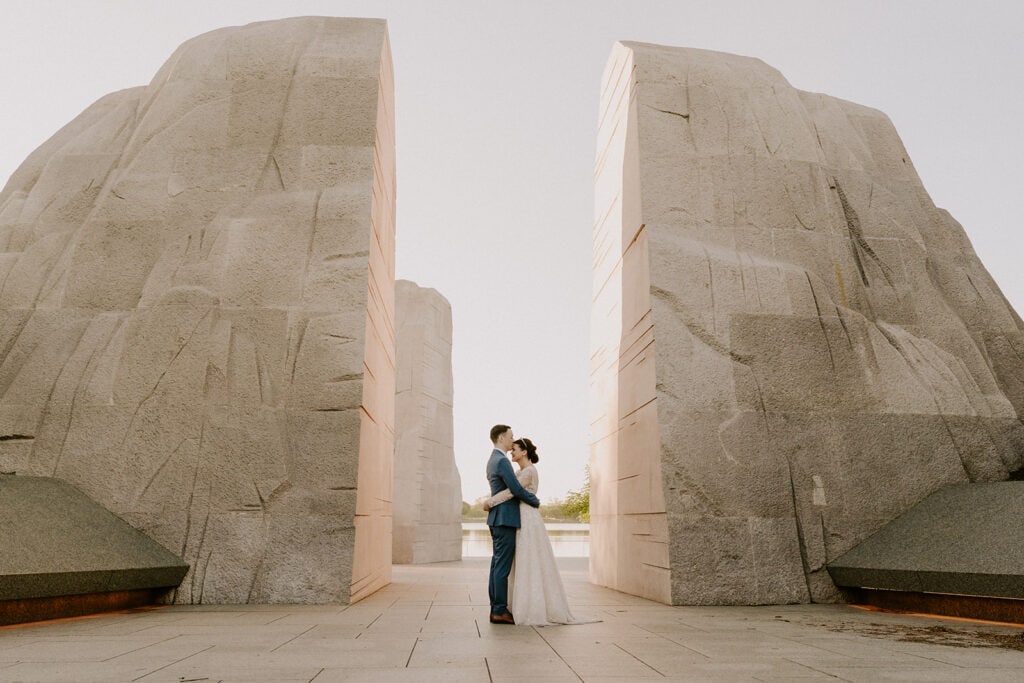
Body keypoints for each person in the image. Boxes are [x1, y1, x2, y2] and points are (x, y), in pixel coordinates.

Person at [484, 437, 596, 626]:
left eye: (515, 449)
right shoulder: (520, 470)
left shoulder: (528, 471)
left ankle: (519, 606)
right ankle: (507, 606)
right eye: (511, 449)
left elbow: (513, 491)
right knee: (521, 561)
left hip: (527, 516)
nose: (512, 451)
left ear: (524, 452)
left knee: (529, 560)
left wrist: (490, 501)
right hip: (520, 516)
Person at [485, 424, 540, 625]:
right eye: (510, 437)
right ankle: (499, 610)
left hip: (498, 518)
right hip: (504, 518)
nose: (512, 440)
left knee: (496, 565)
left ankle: (496, 608)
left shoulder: (493, 459)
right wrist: (534, 501)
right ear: (501, 438)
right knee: (501, 567)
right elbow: (515, 489)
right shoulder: (501, 461)